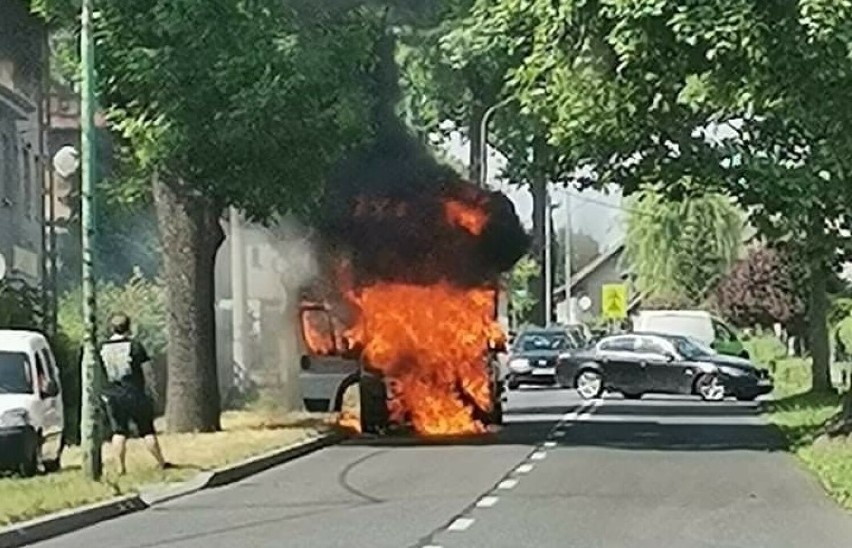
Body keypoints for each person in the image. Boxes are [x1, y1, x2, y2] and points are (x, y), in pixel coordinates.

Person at [99, 313, 170, 474]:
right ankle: (161, 462)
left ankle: (120, 468)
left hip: (113, 395)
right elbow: (147, 370)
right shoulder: (135, 346)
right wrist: (152, 390)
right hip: (135, 393)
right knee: (146, 430)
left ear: (111, 328)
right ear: (128, 327)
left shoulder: (102, 347)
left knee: (119, 431)